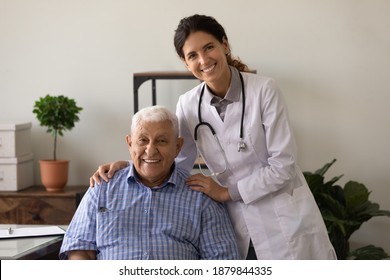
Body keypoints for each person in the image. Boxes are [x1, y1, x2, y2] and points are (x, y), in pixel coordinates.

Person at [90, 14, 336, 260]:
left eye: (209, 48)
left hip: (285, 221)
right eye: (192, 55)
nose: (204, 60)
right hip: (239, 225)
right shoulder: (187, 104)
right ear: (186, 63)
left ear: (225, 45)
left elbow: (283, 166)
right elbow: (176, 162)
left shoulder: (264, 90)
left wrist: (226, 192)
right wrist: (132, 166)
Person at [60, 105, 239, 260]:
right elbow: (79, 248)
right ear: (130, 144)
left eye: (161, 141)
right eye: (143, 140)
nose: (150, 150)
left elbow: (222, 261)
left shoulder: (201, 196)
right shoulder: (102, 187)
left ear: (177, 146)